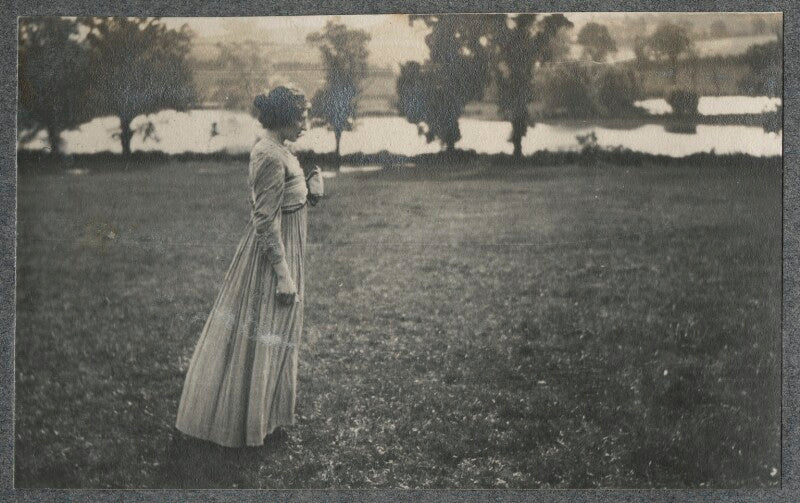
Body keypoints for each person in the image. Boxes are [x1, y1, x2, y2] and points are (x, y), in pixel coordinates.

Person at [175, 86, 313, 448]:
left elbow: (286, 203)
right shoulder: (268, 154)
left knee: (276, 332)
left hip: (288, 251)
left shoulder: (281, 150)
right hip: (271, 261)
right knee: (263, 333)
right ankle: (244, 424)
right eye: (301, 118)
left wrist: (310, 194)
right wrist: (283, 276)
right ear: (283, 118)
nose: (306, 126)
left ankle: (266, 417)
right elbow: (265, 221)